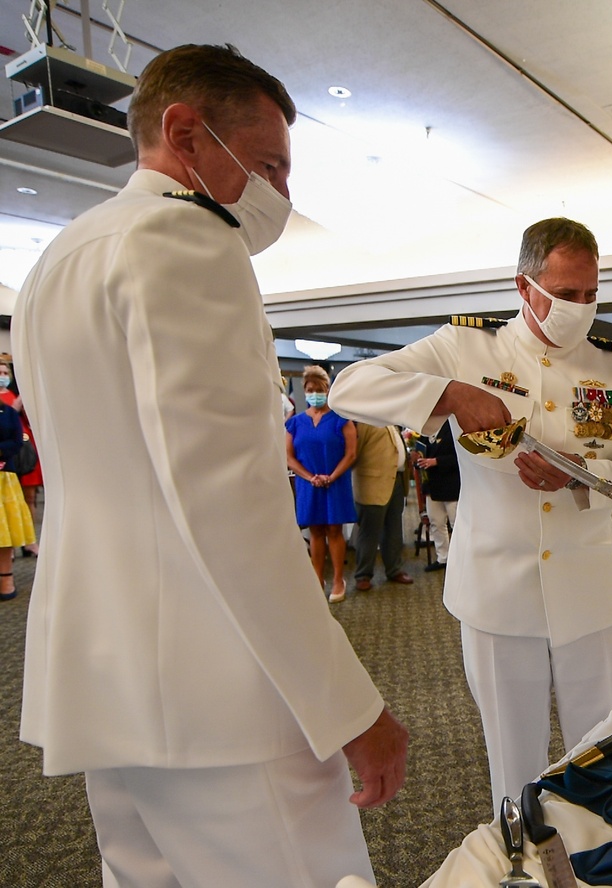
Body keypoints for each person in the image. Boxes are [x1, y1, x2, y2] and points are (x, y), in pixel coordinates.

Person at [13, 44, 407, 886]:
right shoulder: (187, 239)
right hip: (219, 688)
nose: (280, 195)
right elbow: (231, 506)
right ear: (185, 134)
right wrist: (348, 706)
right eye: (268, 165)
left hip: (104, 674)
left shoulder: (57, 261)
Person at [329, 217, 612, 812]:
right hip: (495, 593)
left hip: (590, 592)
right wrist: (451, 395)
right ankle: (523, 865)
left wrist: (586, 473)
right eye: (566, 294)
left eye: (591, 294)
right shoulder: (466, 347)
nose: (581, 307)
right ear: (524, 286)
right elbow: (349, 386)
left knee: (606, 756)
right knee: (514, 764)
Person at [286, 364, 358, 603]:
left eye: (319, 389)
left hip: (335, 482)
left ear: (328, 390)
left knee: (334, 531)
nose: (314, 393)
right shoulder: (295, 423)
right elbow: (289, 457)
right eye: (310, 389)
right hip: (308, 483)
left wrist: (331, 476)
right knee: (315, 532)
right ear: (304, 391)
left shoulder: (341, 420)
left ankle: (338, 580)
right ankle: (317, 578)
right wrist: (310, 477)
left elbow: (351, 454)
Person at [352, 423, 414, 591]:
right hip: (372, 484)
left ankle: (394, 569)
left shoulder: (391, 421)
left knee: (394, 530)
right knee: (369, 532)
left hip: (397, 481)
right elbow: (353, 453)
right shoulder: (364, 421)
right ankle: (363, 575)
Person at [0, 358, 42, 556]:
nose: (3, 377)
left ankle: (29, 541)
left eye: (5, 373)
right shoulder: (8, 403)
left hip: (23, 448)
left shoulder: (14, 394)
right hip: (6, 460)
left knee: (29, 497)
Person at [414, 421, 461, 572]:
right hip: (432, 484)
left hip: (451, 483)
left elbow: (459, 457)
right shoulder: (426, 428)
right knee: (436, 522)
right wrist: (418, 459)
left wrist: (436, 461)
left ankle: (460, 559)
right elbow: (420, 450)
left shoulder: (452, 427)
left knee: (456, 524)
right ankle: (443, 557)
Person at [0, 398, 35, 601]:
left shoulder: (9, 413)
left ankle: (6, 579)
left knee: (4, 533)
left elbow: (16, 440)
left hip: (5, 477)